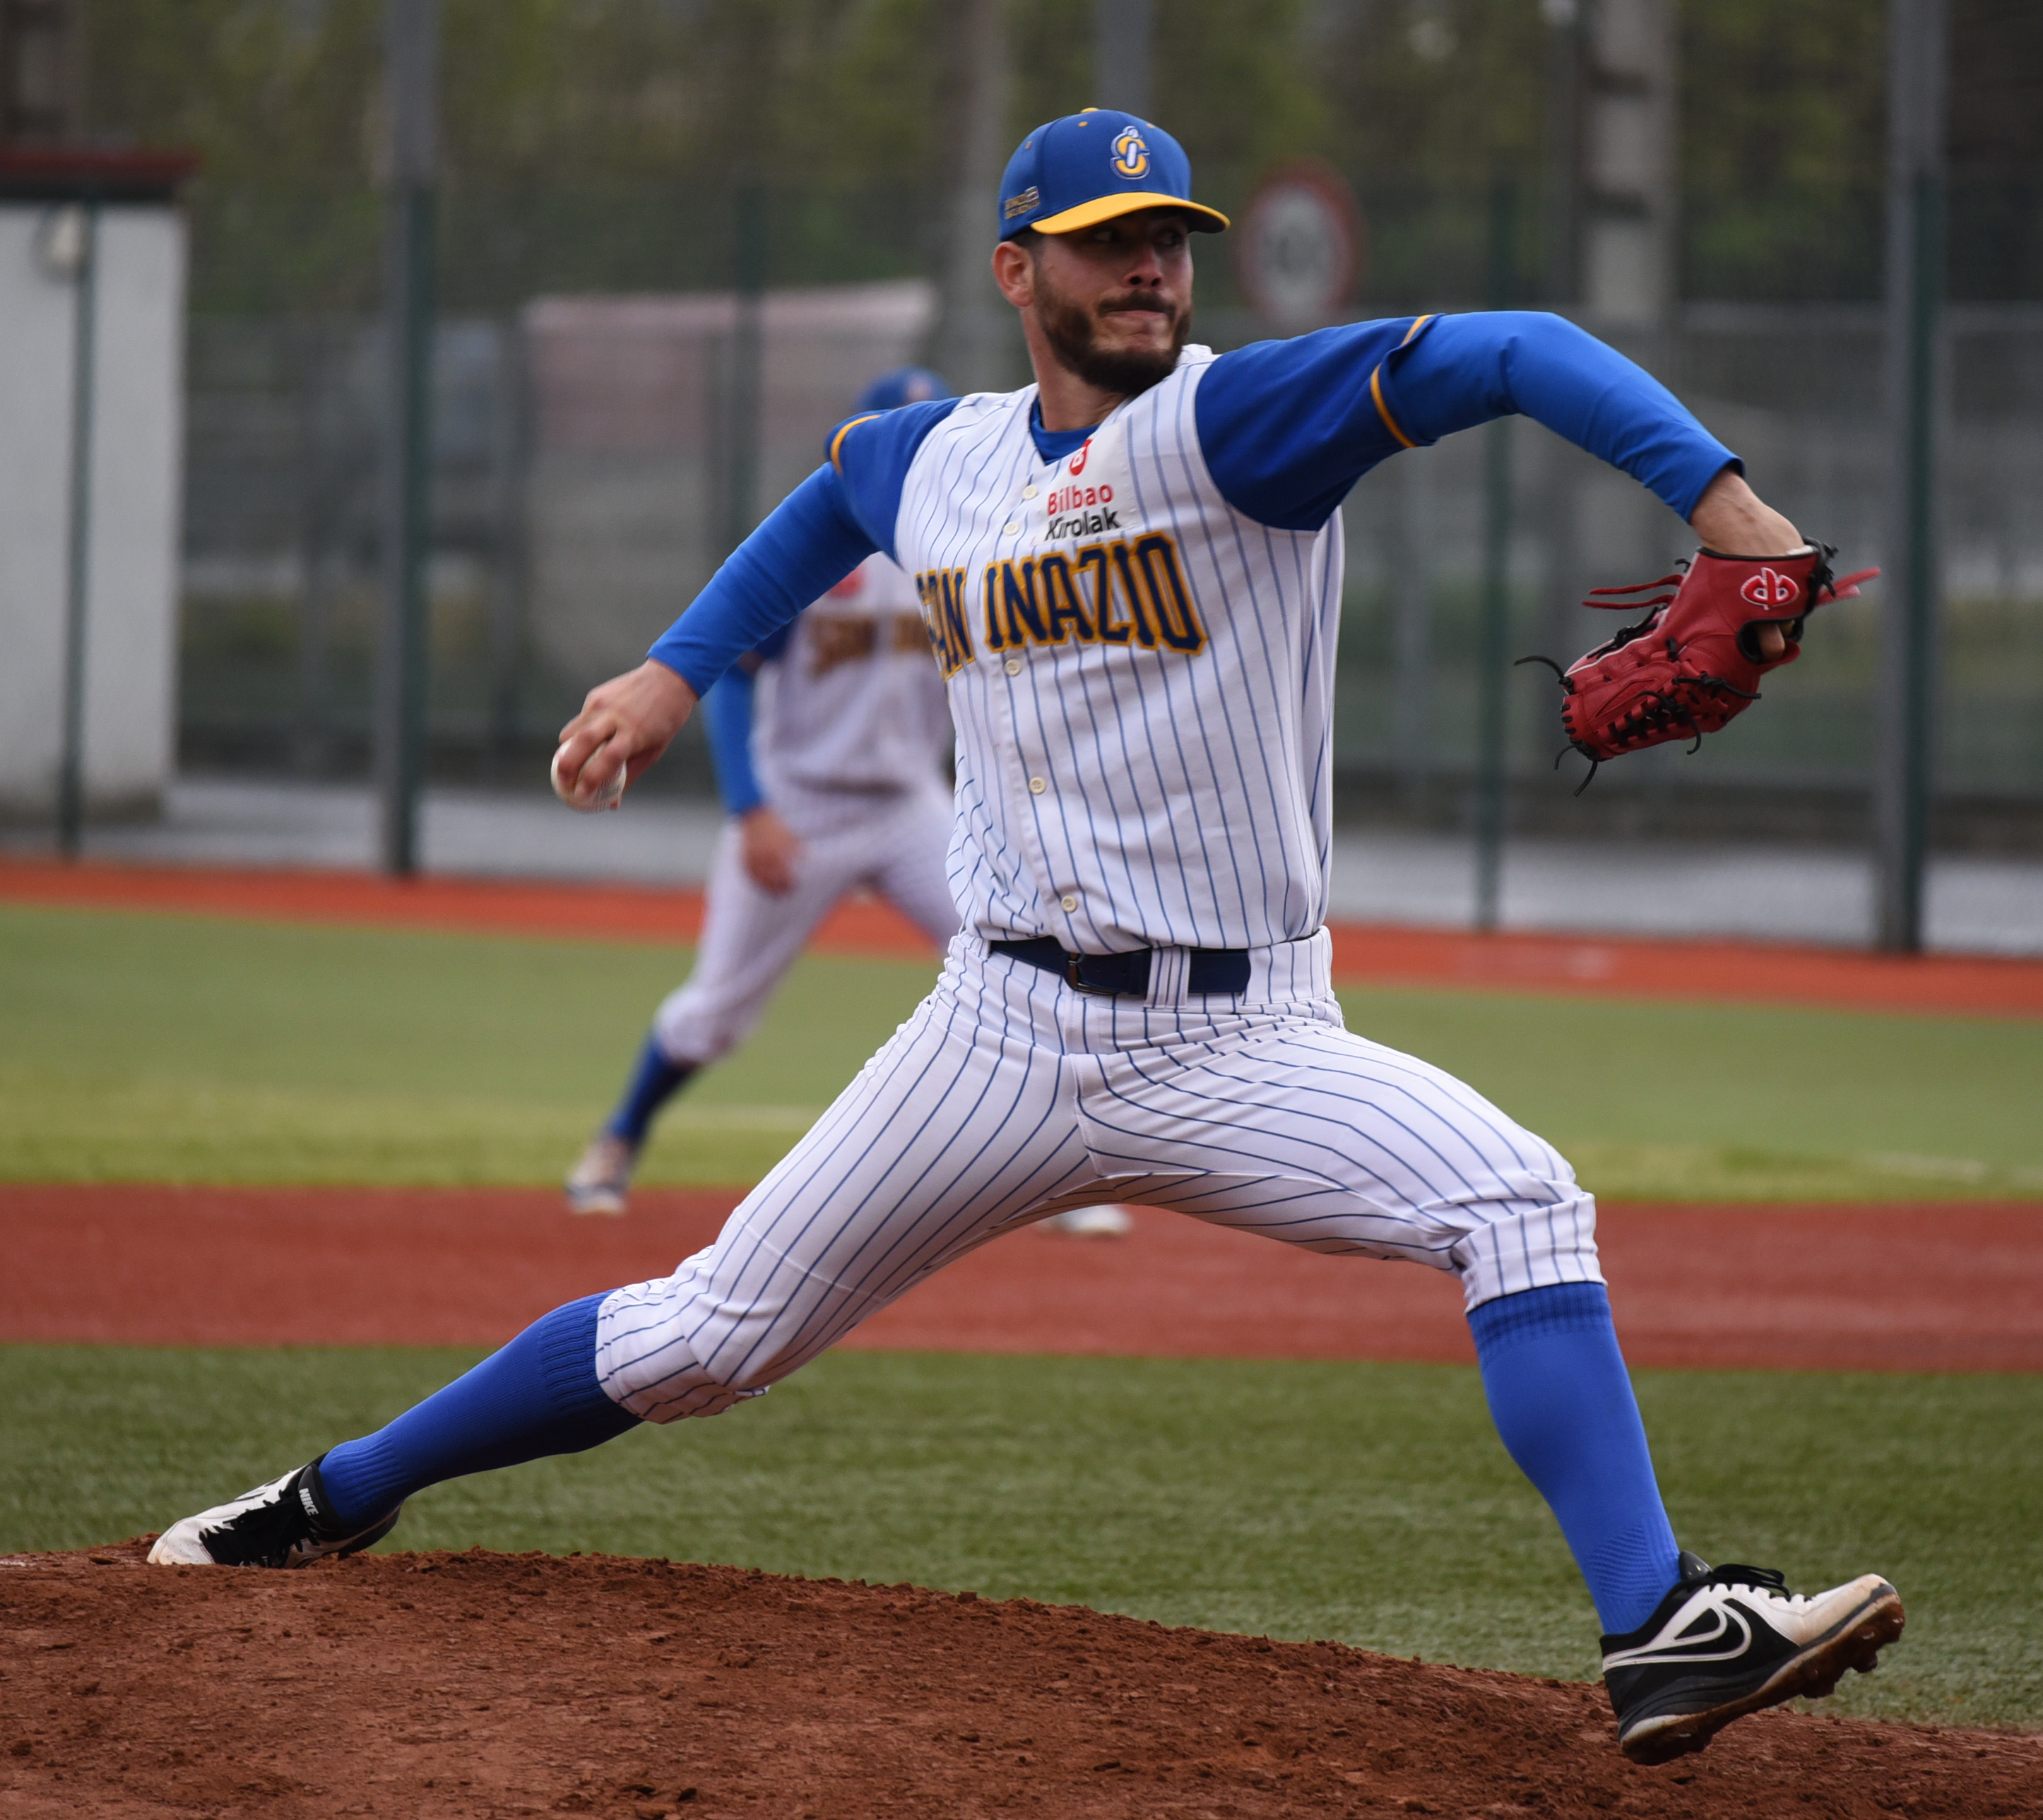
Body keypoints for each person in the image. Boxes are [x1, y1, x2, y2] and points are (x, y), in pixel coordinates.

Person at [149, 112, 1900, 1765]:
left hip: (1244, 1039)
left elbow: (1510, 348)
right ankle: (334, 1494)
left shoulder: (1241, 428)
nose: (1145, 267)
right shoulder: (941, 458)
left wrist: (1721, 504)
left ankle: (1660, 1624)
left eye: (1166, 239)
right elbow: (830, 500)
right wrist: (676, 669)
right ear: (1017, 270)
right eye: (1102, 242)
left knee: (1518, 1199)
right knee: (704, 1338)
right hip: (992, 1035)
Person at [564, 369, 964, 1217]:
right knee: (715, 1013)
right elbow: (738, 680)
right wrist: (752, 811)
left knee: (1020, 960)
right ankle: (620, 1137)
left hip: (910, 806)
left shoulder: (963, 550)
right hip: (801, 804)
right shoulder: (823, 548)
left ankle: (1061, 1182)